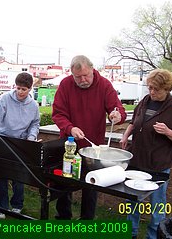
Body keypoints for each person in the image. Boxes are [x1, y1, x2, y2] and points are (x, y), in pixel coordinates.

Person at [52, 55, 126, 220]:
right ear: (72, 74)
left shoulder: (105, 85)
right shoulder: (66, 84)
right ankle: (63, 216)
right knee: (65, 180)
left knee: (91, 183)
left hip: (93, 148)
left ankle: (87, 219)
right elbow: (58, 113)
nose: (82, 79)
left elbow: (118, 109)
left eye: (86, 75)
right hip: (69, 143)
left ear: (93, 70)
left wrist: (116, 115)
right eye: (78, 77)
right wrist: (70, 128)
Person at [120, 69, 172, 239]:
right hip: (136, 160)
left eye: (156, 89)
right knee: (132, 201)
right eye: (150, 88)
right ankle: (131, 233)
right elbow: (134, 121)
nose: (152, 92)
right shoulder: (145, 100)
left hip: (158, 165)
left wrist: (167, 132)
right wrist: (126, 135)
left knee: (157, 205)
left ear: (167, 89)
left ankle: (154, 235)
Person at [0, 72, 40, 219]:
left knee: (19, 176)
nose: (20, 92)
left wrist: (31, 137)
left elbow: (35, 123)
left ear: (30, 89)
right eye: (18, 88)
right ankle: (1, 208)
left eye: (24, 89)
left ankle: (17, 205)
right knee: (1, 176)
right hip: (2, 139)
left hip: (21, 142)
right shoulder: (5, 99)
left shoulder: (33, 105)